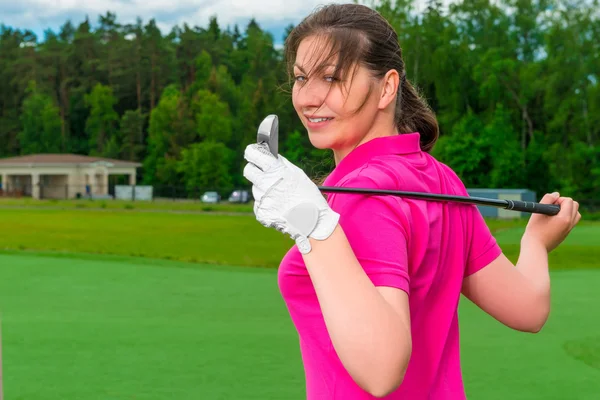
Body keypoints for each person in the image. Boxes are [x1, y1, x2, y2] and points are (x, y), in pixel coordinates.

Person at [242, 3, 581, 399]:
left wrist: (314, 227)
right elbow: (527, 309)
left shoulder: (364, 196)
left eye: (331, 78)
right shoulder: (439, 179)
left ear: (386, 87)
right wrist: (536, 243)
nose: (309, 98)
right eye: (301, 78)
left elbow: (381, 370)